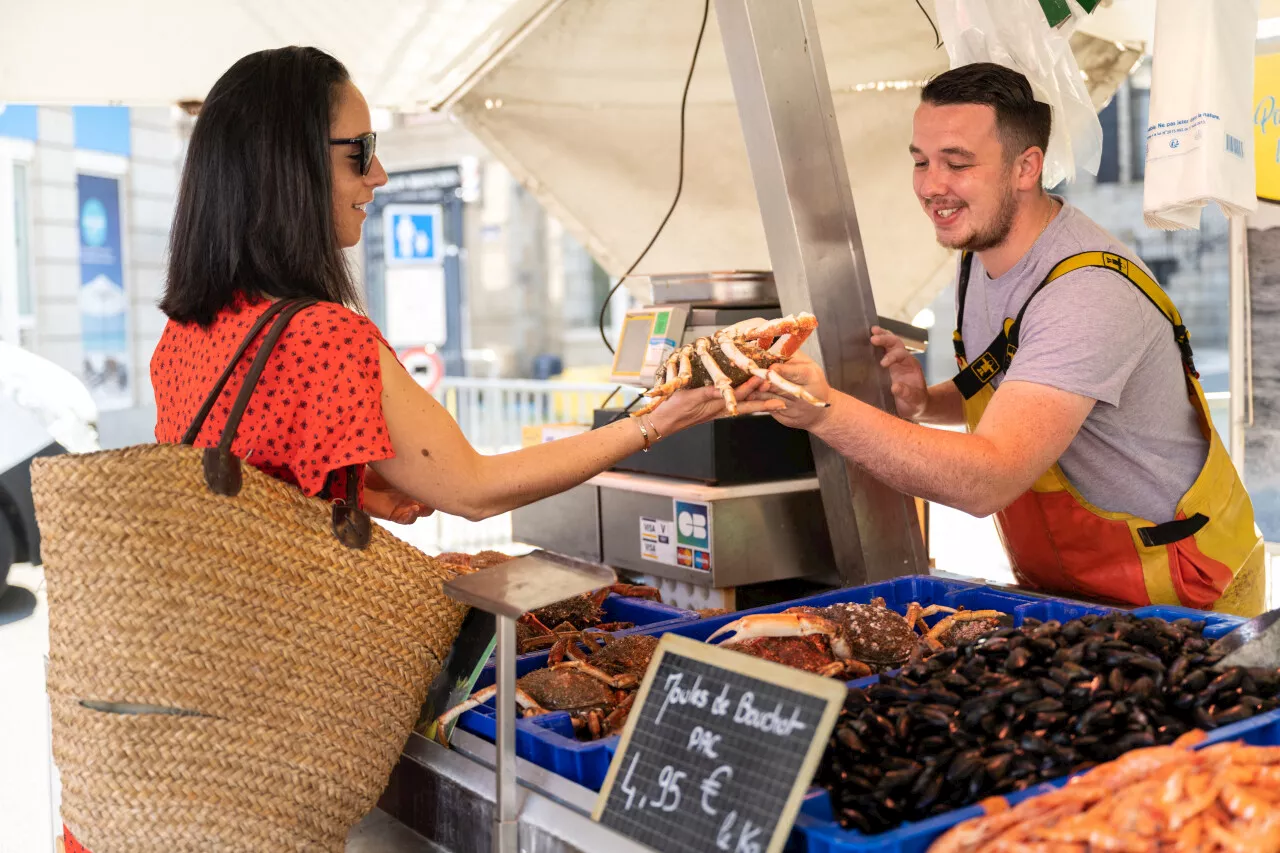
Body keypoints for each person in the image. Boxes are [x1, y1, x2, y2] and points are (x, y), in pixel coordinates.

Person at [61, 47, 779, 852]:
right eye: (360, 152)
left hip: (164, 755)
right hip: (267, 753)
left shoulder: (187, 333)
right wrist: (654, 421)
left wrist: (355, 485)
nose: (381, 176)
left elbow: (244, 486)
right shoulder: (323, 336)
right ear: (286, 166)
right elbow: (472, 487)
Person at [747, 62, 1263, 617]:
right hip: (1070, 590)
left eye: (958, 164)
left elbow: (988, 478)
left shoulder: (1085, 293)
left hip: (1184, 594)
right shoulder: (980, 255)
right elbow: (1017, 389)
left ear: (1027, 167)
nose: (930, 186)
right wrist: (927, 402)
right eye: (921, 161)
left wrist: (824, 413)